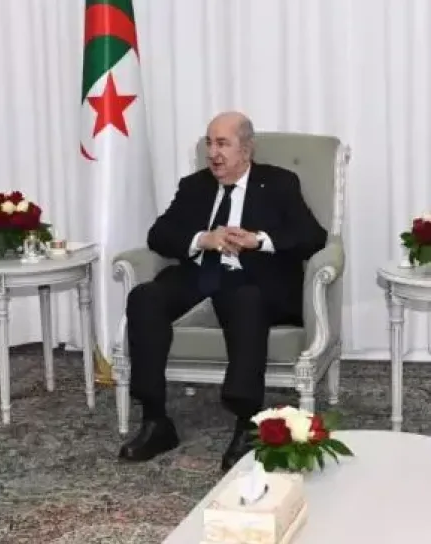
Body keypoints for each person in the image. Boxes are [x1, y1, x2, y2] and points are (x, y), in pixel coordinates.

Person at [118, 112, 327, 471]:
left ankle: (247, 422)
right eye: (209, 143)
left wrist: (259, 240)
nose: (213, 153)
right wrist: (204, 239)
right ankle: (155, 420)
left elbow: (313, 236)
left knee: (245, 300)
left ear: (246, 149)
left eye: (223, 144)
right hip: (202, 274)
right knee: (144, 297)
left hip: (255, 279)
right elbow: (159, 235)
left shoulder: (278, 183)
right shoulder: (194, 186)